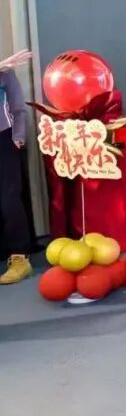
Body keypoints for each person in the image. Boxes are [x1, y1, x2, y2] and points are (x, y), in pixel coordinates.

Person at [0, 54, 32, 284]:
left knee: (9, 198)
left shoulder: (5, 71)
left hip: (4, 138)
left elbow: (18, 108)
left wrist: (18, 137)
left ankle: (20, 256)